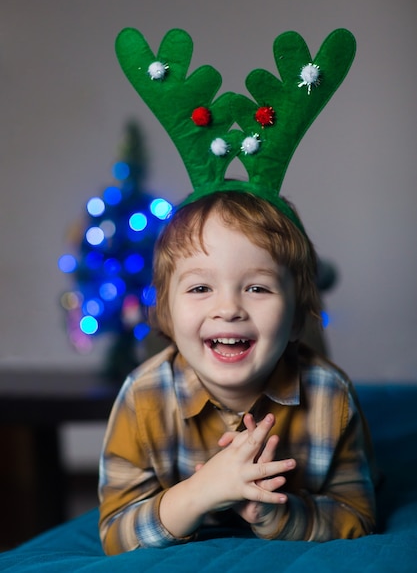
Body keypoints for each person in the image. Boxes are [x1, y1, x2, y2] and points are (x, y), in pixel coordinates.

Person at [98, 191, 377, 554]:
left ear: (296, 321)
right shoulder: (142, 396)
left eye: (257, 287)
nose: (228, 308)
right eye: (200, 287)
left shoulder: (331, 396)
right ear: (165, 313)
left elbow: (357, 513)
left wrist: (280, 514)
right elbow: (116, 532)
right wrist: (199, 493)